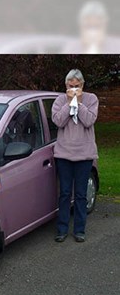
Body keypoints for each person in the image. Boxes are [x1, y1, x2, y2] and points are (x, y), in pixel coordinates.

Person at [52, 69, 99, 242]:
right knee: (64, 193)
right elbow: (58, 121)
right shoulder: (59, 101)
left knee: (80, 194)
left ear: (82, 85)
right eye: (70, 86)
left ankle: (79, 230)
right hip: (64, 154)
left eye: (77, 86)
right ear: (66, 85)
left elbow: (89, 121)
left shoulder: (92, 99)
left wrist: (79, 103)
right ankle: (62, 229)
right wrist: (68, 103)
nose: (73, 89)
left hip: (84, 155)